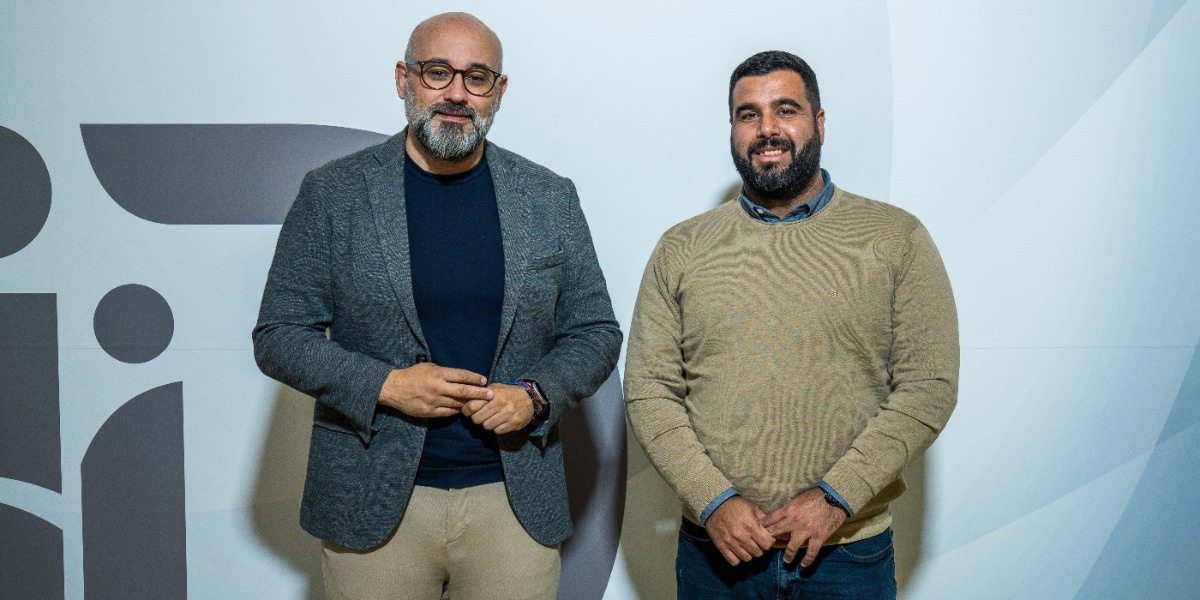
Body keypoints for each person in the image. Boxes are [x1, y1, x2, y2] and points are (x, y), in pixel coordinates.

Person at [252, 12, 621, 600]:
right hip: (372, 504)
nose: (455, 93)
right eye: (437, 72)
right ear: (404, 79)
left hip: (513, 499)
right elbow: (279, 333)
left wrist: (535, 395)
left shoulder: (549, 196)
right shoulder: (332, 193)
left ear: (499, 93)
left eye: (476, 78)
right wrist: (386, 385)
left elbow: (595, 331)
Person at [624, 50, 959, 599]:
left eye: (786, 110)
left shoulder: (896, 239)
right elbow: (648, 389)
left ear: (819, 123)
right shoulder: (680, 248)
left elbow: (929, 386)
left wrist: (835, 499)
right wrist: (713, 500)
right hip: (717, 555)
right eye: (748, 114)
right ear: (732, 129)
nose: (767, 129)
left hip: (848, 554)